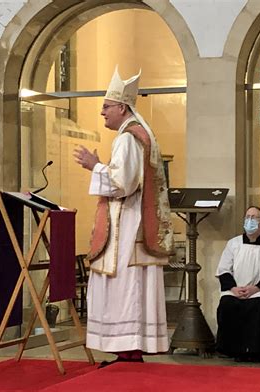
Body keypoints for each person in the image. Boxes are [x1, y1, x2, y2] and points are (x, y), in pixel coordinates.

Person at [73, 66, 174, 367]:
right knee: (130, 288)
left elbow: (123, 183)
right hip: (133, 226)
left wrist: (95, 166)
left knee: (125, 288)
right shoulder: (138, 133)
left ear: (121, 107)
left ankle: (128, 352)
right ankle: (128, 352)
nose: (102, 111)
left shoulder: (129, 137)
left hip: (128, 230)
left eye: (106, 106)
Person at [215, 206, 260, 362]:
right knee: (227, 303)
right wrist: (234, 288)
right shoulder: (233, 243)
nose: (250, 221)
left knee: (256, 306)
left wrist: (255, 289)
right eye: (247, 217)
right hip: (236, 288)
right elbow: (223, 269)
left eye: (254, 217)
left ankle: (253, 352)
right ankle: (230, 349)